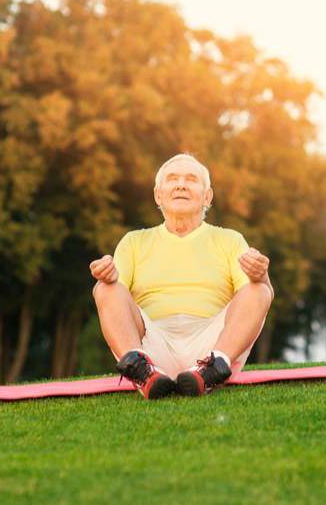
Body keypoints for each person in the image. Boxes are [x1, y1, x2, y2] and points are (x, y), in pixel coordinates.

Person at [89, 153, 274, 398]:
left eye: (191, 179)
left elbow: (259, 297)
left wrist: (262, 276)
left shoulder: (230, 240)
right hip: (152, 344)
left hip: (212, 346)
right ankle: (142, 372)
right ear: (158, 194)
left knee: (258, 289)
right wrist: (106, 275)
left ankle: (210, 371)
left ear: (207, 196)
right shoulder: (133, 242)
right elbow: (112, 301)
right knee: (104, 288)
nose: (181, 185)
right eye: (173, 179)